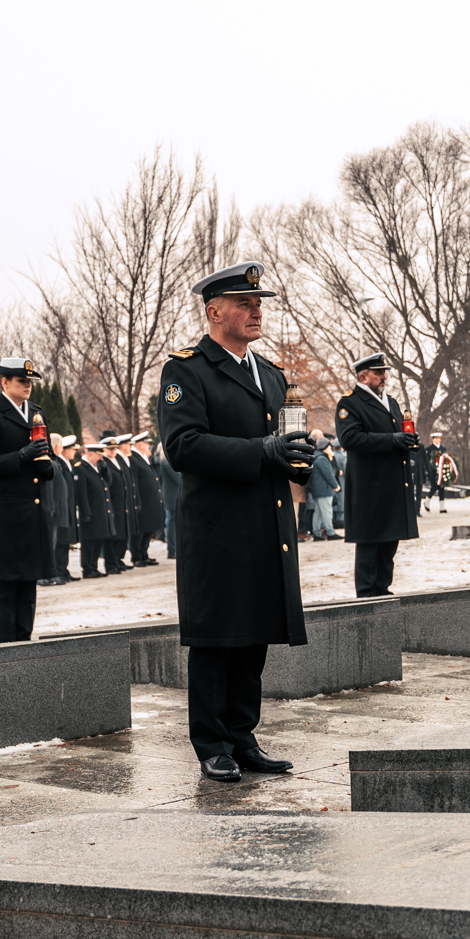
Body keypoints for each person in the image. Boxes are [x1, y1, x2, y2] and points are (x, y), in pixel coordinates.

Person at [158, 260, 310, 783]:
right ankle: (212, 743)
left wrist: (296, 457)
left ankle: (243, 735)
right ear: (213, 311)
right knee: (217, 637)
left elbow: (280, 448)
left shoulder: (270, 373)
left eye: (259, 303)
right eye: (244, 303)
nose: (255, 311)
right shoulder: (187, 369)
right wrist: (262, 450)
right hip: (217, 527)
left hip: (264, 523)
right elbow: (184, 445)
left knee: (254, 636)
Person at [0, 356, 57, 639]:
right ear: (5, 382)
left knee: (28, 584)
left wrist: (48, 466)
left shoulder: (36, 412)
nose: (28, 386)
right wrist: (20, 457)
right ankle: (8, 650)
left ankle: (25, 644)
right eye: (22, 381)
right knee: (7, 586)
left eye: (30, 381)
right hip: (7, 514)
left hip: (33, 510)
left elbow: (49, 459)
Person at [335, 352, 419, 597]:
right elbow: (350, 438)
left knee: (389, 542)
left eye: (384, 372)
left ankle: (383, 589)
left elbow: (396, 434)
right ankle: (366, 594)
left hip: (391, 484)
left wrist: (409, 441)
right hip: (369, 486)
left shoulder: (390, 401)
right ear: (363, 376)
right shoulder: (349, 403)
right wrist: (393, 439)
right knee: (370, 543)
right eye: (378, 372)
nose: (384, 376)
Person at [73, 438, 114, 578]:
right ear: (91, 454)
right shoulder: (81, 468)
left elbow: (107, 484)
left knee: (98, 540)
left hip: (100, 511)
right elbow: (81, 493)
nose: (101, 458)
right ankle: (87, 568)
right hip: (90, 511)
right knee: (89, 542)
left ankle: (94, 566)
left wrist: (105, 470)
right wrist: (85, 512)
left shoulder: (96, 467)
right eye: (99, 455)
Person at [43, 435, 80, 584]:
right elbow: (51, 487)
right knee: (53, 543)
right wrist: (53, 508)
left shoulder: (57, 462)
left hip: (62, 508)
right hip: (55, 509)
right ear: (57, 446)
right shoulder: (53, 462)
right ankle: (52, 573)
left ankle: (60, 571)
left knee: (61, 542)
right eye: (61, 446)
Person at [97, 434, 134, 573]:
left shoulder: (116, 461)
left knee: (121, 534)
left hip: (121, 504)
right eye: (109, 449)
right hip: (112, 504)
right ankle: (110, 564)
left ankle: (118, 559)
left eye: (114, 449)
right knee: (112, 537)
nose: (112, 451)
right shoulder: (104, 463)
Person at [127, 433, 162, 565]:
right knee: (140, 529)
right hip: (142, 500)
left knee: (149, 528)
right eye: (148, 445)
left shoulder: (143, 458)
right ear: (140, 445)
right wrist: (137, 501)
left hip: (150, 501)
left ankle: (144, 553)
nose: (150, 447)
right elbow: (134, 481)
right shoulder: (134, 458)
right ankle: (136, 556)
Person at [307, 432, 341, 539]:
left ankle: (317, 533)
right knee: (326, 511)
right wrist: (336, 485)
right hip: (324, 489)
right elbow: (328, 475)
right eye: (328, 446)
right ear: (324, 447)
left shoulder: (318, 457)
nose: (330, 448)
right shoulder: (322, 459)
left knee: (318, 512)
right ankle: (330, 532)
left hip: (318, 489)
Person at [156, 438, 182, 562]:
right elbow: (179, 478)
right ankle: (172, 550)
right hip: (171, 498)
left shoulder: (167, 461)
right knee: (171, 522)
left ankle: (174, 548)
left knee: (173, 522)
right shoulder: (167, 461)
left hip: (173, 496)